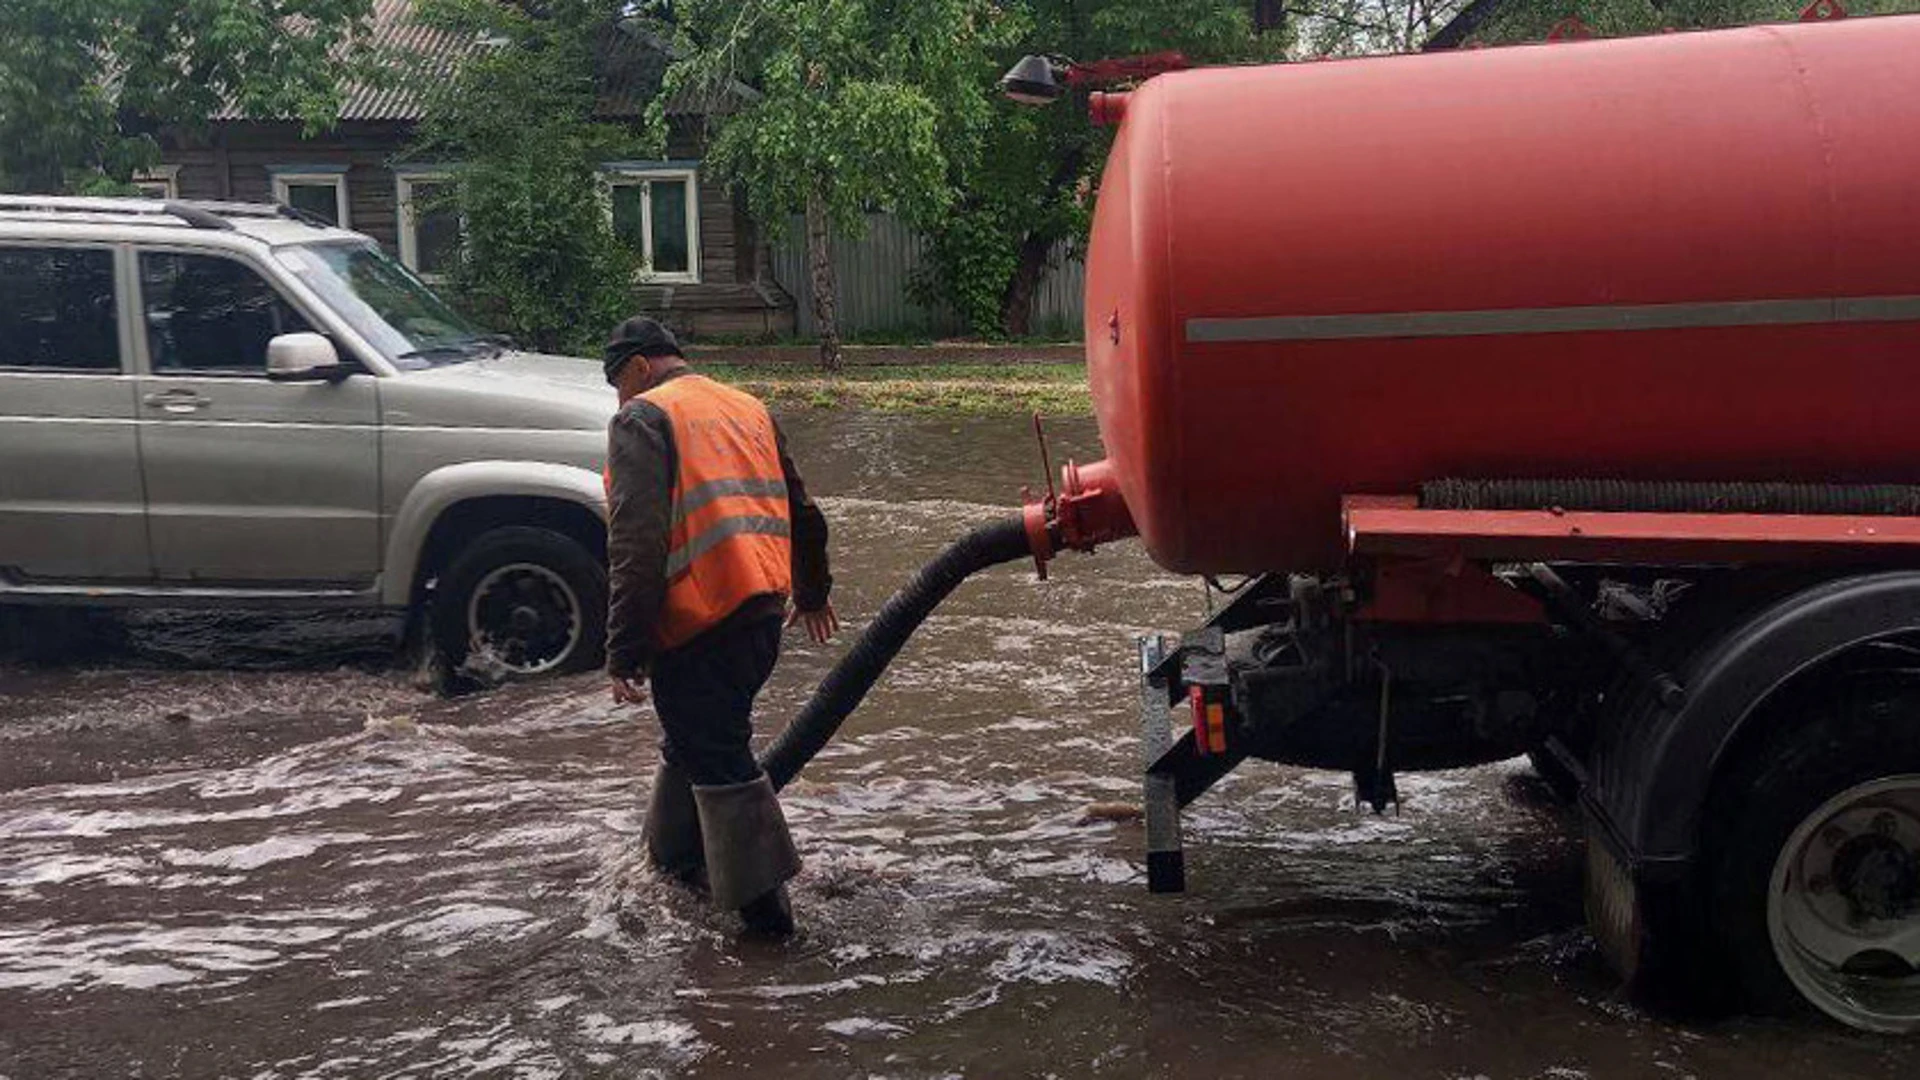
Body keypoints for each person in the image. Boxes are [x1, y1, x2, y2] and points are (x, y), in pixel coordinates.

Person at [601, 316, 838, 936]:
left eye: (619, 386)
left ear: (638, 368)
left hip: (697, 625)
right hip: (760, 618)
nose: (621, 401)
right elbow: (805, 511)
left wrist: (623, 650)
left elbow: (637, 543)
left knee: (720, 761)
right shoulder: (746, 407)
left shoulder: (642, 418)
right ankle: (669, 868)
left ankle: (771, 926)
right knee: (695, 743)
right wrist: (812, 592)